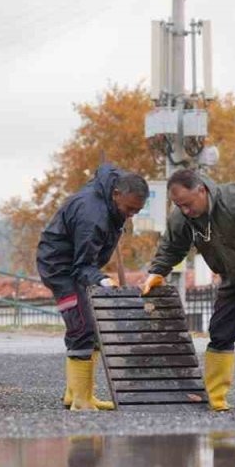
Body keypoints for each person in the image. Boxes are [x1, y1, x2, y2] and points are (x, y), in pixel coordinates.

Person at [142, 169, 235, 411]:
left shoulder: (234, 198)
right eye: (180, 206)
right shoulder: (182, 218)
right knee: (221, 332)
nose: (185, 210)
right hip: (232, 276)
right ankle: (215, 398)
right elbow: (172, 247)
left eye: (188, 204)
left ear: (201, 190)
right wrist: (157, 272)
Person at [37, 163, 149, 411]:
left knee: (95, 324)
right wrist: (102, 280)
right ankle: (80, 401)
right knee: (82, 327)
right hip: (60, 268)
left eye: (137, 210)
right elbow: (82, 266)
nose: (131, 214)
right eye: (129, 209)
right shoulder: (92, 215)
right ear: (116, 194)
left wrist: (97, 274)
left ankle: (77, 392)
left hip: (80, 265)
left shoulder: (116, 190)